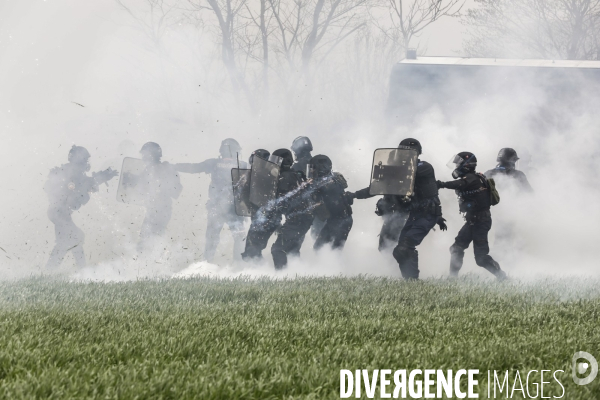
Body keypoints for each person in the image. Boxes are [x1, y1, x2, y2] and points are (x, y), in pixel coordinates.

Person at [349, 138, 446, 279]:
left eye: (408, 153)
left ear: (417, 153)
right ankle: (398, 275)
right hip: (406, 213)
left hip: (414, 214)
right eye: (402, 152)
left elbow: (412, 176)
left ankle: (411, 281)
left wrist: (389, 170)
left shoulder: (424, 167)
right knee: (387, 248)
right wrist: (354, 195)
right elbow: (376, 187)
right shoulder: (399, 170)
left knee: (403, 248)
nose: (404, 155)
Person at [44, 145, 118, 269]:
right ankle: (69, 271)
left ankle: (80, 270)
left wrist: (104, 175)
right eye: (84, 159)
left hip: (61, 212)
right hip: (59, 212)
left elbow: (86, 183)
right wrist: (103, 176)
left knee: (73, 239)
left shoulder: (72, 172)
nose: (86, 163)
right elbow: (85, 183)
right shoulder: (69, 172)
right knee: (72, 239)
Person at [438, 151, 507, 280]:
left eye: (458, 164)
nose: (456, 167)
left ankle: (502, 277)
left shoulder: (472, 179)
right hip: (473, 222)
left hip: (481, 222)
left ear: (467, 165)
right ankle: (452, 278)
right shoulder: (474, 177)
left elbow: (458, 184)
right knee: (456, 248)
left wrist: (440, 184)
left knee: (481, 258)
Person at [174, 138, 246, 263]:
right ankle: (238, 266)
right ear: (236, 152)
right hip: (236, 209)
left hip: (216, 207)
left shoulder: (213, 163)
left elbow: (193, 168)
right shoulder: (243, 165)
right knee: (239, 238)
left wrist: (173, 166)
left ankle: (207, 265)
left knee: (212, 238)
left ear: (221, 151)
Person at [132, 142, 182, 252]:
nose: (143, 157)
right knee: (149, 239)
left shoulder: (162, 168)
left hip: (160, 210)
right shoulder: (155, 168)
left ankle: (154, 264)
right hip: (155, 209)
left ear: (152, 154)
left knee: (149, 241)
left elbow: (175, 190)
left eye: (145, 154)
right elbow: (143, 187)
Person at [270, 148, 314, 269]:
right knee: (293, 250)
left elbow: (283, 201)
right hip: (304, 218)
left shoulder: (285, 177)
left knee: (278, 249)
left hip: (297, 219)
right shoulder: (296, 174)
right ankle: (297, 274)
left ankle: (281, 279)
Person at [241, 149, 283, 261]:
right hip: (270, 217)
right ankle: (258, 270)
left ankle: (256, 271)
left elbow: (244, 194)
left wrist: (250, 207)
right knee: (254, 247)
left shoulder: (258, 175)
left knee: (252, 248)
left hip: (263, 218)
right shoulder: (272, 175)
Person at [308, 155, 354, 250]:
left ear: (321, 168)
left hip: (342, 221)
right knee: (318, 247)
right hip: (334, 220)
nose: (311, 171)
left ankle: (336, 265)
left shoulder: (329, 183)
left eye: (314, 168)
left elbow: (325, 191)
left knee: (335, 251)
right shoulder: (328, 180)